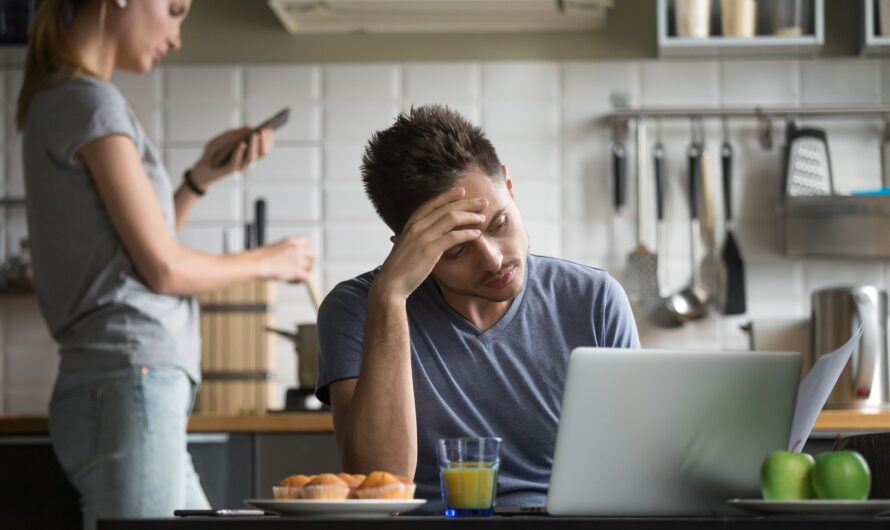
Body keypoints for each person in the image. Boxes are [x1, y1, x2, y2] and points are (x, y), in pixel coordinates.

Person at [16, 1, 315, 528]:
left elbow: (132, 252)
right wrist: (270, 260)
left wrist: (199, 179)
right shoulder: (91, 103)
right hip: (130, 380)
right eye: (175, 10)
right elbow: (164, 270)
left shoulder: (65, 98)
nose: (177, 36)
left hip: (121, 384)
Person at [316, 104, 640, 509]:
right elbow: (380, 491)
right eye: (455, 250)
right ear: (407, 245)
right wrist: (391, 295)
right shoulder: (356, 308)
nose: (492, 260)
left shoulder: (594, 299)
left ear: (507, 183)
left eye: (499, 224)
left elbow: (634, 470)